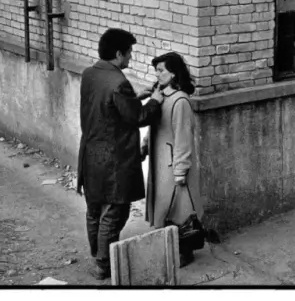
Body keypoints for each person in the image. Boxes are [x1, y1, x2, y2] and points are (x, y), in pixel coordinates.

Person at [77, 28, 164, 280]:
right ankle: (104, 265)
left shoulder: (89, 74)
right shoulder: (119, 83)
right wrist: (155, 100)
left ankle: (97, 255)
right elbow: (138, 117)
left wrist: (137, 97)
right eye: (129, 53)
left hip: (90, 152)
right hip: (113, 158)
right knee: (114, 212)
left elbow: (108, 107)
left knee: (94, 209)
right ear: (118, 54)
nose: (130, 58)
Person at [142, 51, 203, 267]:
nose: (157, 74)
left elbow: (183, 138)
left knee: (181, 210)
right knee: (165, 209)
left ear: (174, 73)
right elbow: (153, 124)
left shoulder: (180, 102)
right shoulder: (160, 97)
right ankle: (171, 248)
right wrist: (145, 145)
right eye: (156, 70)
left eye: (161, 70)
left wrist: (180, 171)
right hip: (160, 163)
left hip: (173, 165)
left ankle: (185, 252)